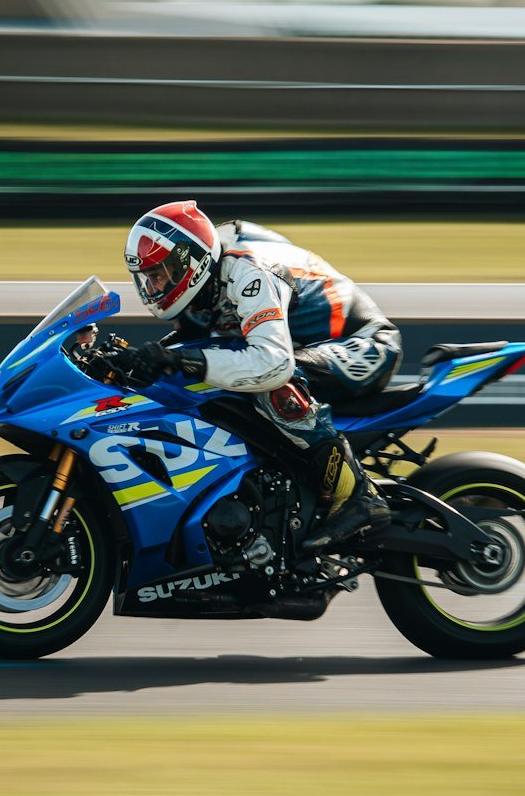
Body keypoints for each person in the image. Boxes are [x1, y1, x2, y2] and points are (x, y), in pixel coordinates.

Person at [124, 199, 400, 551]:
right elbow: (182, 349)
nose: (153, 287)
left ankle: (358, 495)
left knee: (272, 383)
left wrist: (184, 361)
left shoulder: (249, 272)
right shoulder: (206, 280)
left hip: (363, 345)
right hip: (305, 347)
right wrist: (134, 362)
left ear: (189, 262)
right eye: (147, 278)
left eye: (159, 274)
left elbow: (273, 364)